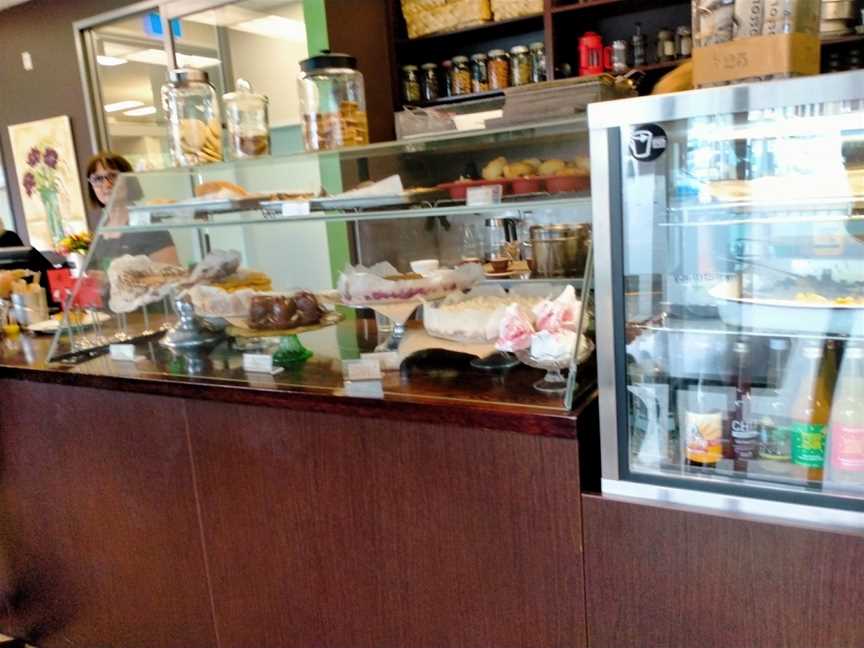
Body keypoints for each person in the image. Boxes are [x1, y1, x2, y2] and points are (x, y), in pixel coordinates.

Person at [85, 152, 179, 267]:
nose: (106, 185)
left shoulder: (147, 223)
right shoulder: (101, 228)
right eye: (98, 179)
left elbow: (170, 273)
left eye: (113, 176)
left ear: (129, 181)